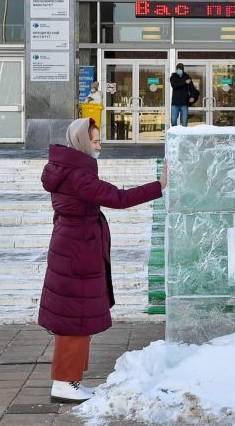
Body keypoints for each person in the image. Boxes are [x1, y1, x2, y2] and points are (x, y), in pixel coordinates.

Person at [39, 118, 165, 403]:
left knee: (75, 319)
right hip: (77, 253)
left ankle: (69, 380)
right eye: (95, 141)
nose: (99, 146)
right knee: (75, 321)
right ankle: (63, 383)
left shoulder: (68, 170)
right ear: (82, 142)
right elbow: (118, 198)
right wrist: (159, 185)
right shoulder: (78, 176)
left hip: (72, 247)